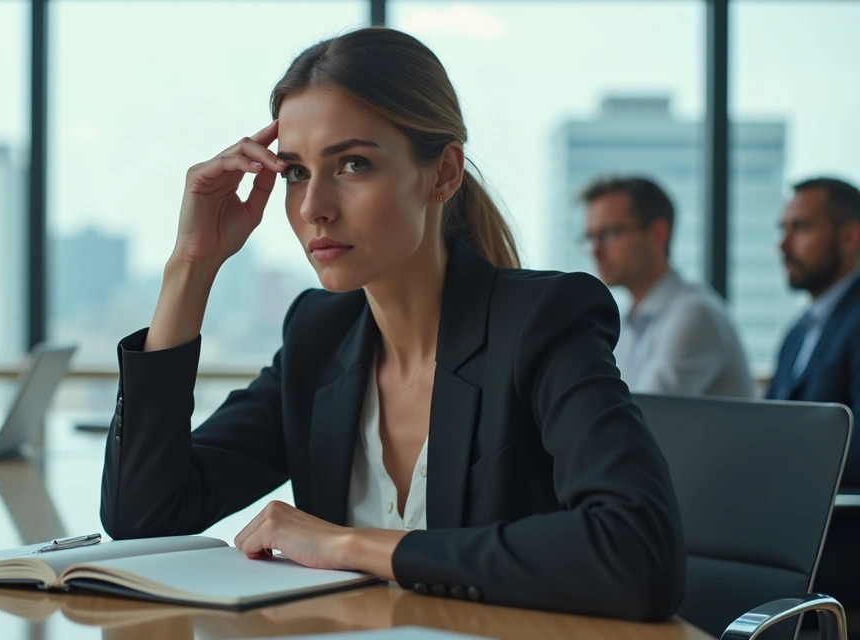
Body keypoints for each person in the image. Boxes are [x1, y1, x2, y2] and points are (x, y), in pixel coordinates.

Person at [99, 28, 684, 622]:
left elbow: (637, 553)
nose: (313, 207)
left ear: (443, 174)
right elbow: (144, 518)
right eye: (296, 172)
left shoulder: (540, 322)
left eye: (353, 164)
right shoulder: (319, 338)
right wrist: (192, 264)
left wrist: (347, 545)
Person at [766, 177, 860, 609]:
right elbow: (766, 429)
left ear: (850, 236)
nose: (783, 245)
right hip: (796, 526)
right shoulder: (798, 333)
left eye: (800, 228)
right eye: (782, 229)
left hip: (840, 535)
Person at [580, 176, 754, 397]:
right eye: (590, 238)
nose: (595, 251)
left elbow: (643, 413)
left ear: (657, 234)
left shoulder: (694, 315)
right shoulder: (631, 321)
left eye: (609, 234)